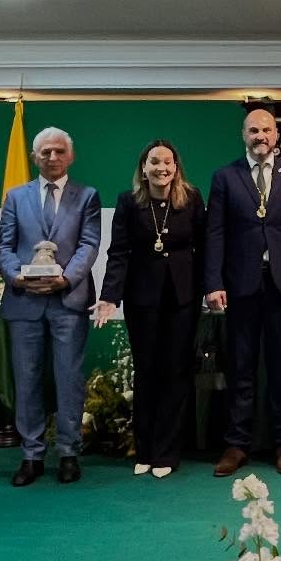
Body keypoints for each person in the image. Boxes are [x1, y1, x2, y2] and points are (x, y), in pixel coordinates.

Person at [204, 109, 281, 477]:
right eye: (253, 130)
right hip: (239, 286)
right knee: (241, 368)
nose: (260, 135)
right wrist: (213, 283)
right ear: (243, 135)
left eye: (266, 129)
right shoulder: (225, 177)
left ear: (276, 134)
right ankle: (236, 444)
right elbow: (214, 233)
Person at [0, 127, 102, 486]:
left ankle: (69, 452)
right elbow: (4, 247)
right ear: (34, 157)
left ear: (70, 157)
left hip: (67, 301)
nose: (52, 157)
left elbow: (89, 244)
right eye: (45, 152)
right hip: (24, 301)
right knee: (27, 380)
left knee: (69, 380)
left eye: (59, 152)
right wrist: (17, 277)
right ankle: (31, 455)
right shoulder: (15, 196)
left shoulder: (86, 196)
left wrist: (66, 279)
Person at [95, 140, 204, 478]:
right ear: (143, 167)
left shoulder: (192, 198)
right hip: (142, 299)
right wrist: (109, 296)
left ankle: (167, 453)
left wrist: (212, 288)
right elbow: (119, 252)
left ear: (177, 166)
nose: (162, 168)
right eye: (154, 162)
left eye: (168, 162)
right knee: (146, 373)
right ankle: (143, 450)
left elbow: (207, 246)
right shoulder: (130, 202)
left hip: (183, 298)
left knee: (175, 372)